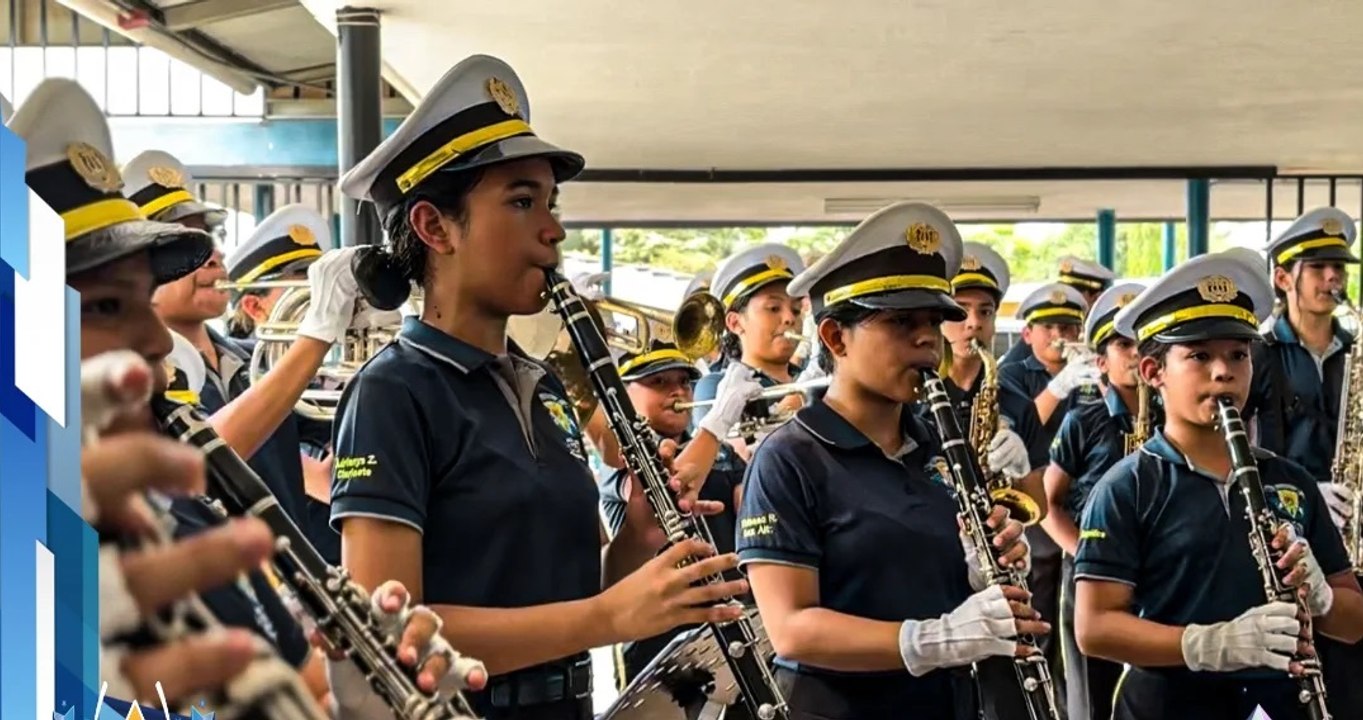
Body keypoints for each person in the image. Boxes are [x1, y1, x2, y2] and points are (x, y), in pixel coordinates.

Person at [18, 77, 461, 716]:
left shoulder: (176, 525)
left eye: (145, 301)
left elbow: (295, 679)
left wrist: (354, 703)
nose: (154, 340)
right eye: (108, 306)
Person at [329, 54, 749, 720]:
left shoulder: (544, 385)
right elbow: (387, 637)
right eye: (521, 202)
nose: (552, 229)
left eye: (549, 204)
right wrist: (606, 618)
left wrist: (639, 537)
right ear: (435, 228)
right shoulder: (394, 391)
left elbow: (576, 594)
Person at [737, 201, 1045, 719]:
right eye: (902, 321)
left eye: (932, 320)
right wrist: (936, 639)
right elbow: (790, 629)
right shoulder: (789, 458)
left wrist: (984, 577)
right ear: (836, 337)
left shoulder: (942, 450)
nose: (928, 338)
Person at [1073, 248, 1363, 719]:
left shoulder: (1291, 481)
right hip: (1169, 704)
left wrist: (1324, 599)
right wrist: (1208, 644)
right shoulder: (1127, 486)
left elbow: (1353, 622)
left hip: (1280, 702)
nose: (1223, 370)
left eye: (1238, 355)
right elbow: (1094, 627)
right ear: (1153, 372)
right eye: (1199, 356)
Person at [596, 339, 762, 699]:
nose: (677, 391)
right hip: (659, 639)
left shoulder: (717, 451)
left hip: (724, 621)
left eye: (684, 382)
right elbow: (665, 486)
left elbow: (751, 511)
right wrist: (718, 422)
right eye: (658, 383)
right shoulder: (623, 460)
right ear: (625, 395)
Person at [1247, 206, 1363, 718]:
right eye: (1317, 267)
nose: (1333, 277)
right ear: (1283, 277)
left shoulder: (1355, 352)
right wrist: (1309, 490)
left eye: (1339, 267)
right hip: (1287, 530)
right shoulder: (1258, 352)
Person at [1039, 281, 1148, 720]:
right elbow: (1048, 501)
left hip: (1153, 568)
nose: (1137, 353)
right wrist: (1085, 553)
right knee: (1089, 691)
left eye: (1143, 342)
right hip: (1091, 570)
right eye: (1124, 345)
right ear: (1101, 362)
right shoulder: (1084, 419)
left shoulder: (1169, 417)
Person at [222, 203, 340, 564]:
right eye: (300, 284)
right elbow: (326, 481)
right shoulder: (246, 374)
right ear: (256, 308)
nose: (319, 297)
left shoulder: (323, 376)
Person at [691, 243, 807, 459]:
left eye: (796, 310)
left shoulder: (808, 378)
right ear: (735, 323)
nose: (790, 318)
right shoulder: (715, 386)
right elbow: (730, 460)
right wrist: (788, 409)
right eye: (773, 308)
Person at [1000, 256, 1115, 366]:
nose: (1065, 300)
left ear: (1096, 298)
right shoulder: (1040, 333)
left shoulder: (1104, 330)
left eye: (1073, 294)